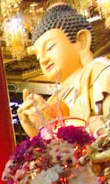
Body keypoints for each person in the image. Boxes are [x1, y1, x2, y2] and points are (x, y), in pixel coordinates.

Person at [17, 3, 110, 138]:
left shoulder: (103, 75)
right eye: (38, 57)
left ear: (82, 40)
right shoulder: (52, 102)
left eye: (50, 47)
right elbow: (56, 150)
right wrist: (37, 133)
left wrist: (53, 126)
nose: (43, 60)